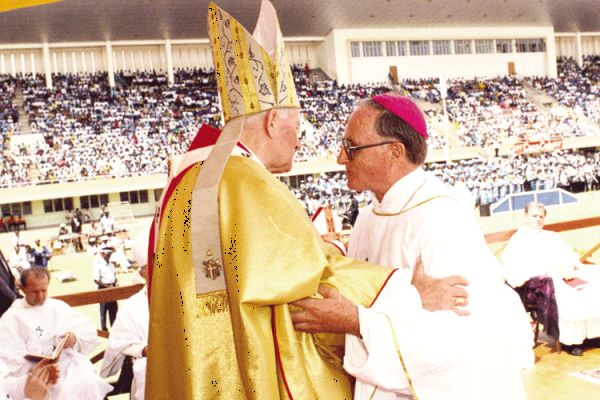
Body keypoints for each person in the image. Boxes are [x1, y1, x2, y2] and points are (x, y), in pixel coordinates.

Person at [147, 2, 462, 398]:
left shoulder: (197, 176)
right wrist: (410, 295)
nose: (300, 139)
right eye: (297, 125)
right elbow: (312, 280)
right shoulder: (245, 181)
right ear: (272, 120)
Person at [291, 94, 531, 399]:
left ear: (394, 151)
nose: (341, 158)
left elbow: (456, 339)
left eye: (351, 148)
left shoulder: (442, 217)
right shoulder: (367, 218)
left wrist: (356, 320)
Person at [503, 201, 600, 356]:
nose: (538, 219)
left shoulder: (552, 236)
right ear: (525, 216)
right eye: (534, 216)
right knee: (567, 294)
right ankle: (571, 340)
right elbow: (516, 269)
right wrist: (554, 273)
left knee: (595, 282)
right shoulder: (518, 240)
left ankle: (592, 336)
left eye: (541, 216)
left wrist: (569, 266)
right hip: (542, 282)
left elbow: (569, 256)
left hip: (565, 275)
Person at [0, 268, 112, 399]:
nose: (40, 296)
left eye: (44, 290)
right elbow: (8, 355)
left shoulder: (57, 306)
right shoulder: (12, 317)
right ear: (23, 289)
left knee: (87, 381)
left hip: (67, 363)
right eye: (35, 291)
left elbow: (86, 329)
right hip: (33, 371)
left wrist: (73, 338)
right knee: (59, 389)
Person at [101, 232, 150, 400]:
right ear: (142, 274)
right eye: (151, 268)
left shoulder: (182, 298)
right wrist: (142, 350)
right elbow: (120, 341)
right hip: (148, 366)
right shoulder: (132, 306)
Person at [93, 245, 118, 331]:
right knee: (103, 310)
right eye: (107, 254)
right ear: (102, 254)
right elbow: (96, 280)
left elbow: (114, 276)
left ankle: (114, 329)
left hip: (112, 288)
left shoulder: (111, 264)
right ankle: (104, 329)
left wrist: (115, 284)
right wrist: (108, 287)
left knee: (113, 310)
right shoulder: (98, 264)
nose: (108, 255)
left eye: (110, 254)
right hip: (103, 288)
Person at [0, 250, 19, 317]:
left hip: (12, 297)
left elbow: (6, 271)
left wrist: (17, 294)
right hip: (4, 303)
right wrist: (13, 298)